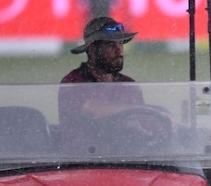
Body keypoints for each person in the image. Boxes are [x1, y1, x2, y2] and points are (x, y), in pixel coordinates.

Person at [59, 16, 146, 153]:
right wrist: (137, 110)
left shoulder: (129, 84)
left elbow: (146, 121)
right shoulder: (73, 82)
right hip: (82, 166)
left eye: (120, 43)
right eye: (111, 45)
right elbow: (95, 110)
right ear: (92, 49)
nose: (119, 50)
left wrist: (165, 119)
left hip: (126, 164)